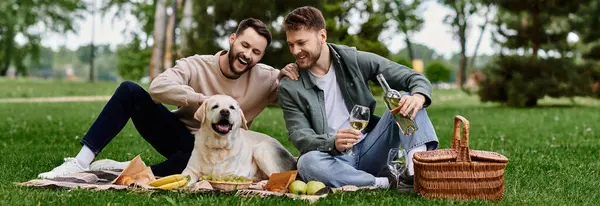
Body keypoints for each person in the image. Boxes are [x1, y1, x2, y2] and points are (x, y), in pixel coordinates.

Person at [38, 18, 299, 178]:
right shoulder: (197, 65)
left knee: (191, 163)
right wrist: (201, 101)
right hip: (178, 135)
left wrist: (291, 75)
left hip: (220, 150)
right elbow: (158, 87)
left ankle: (132, 172)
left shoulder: (265, 78)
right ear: (232, 39)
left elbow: (295, 97)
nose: (248, 55)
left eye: (256, 52)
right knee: (130, 90)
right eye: (244, 45)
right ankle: (81, 162)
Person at [277, 6, 439, 193]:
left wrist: (419, 95)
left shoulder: (352, 60)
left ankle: (415, 174)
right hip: (332, 160)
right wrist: (332, 142)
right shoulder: (290, 85)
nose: (295, 51)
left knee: (407, 99)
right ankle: (384, 182)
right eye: (291, 44)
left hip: (371, 148)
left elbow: (413, 78)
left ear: (322, 36)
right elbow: (300, 135)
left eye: (301, 43)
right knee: (306, 162)